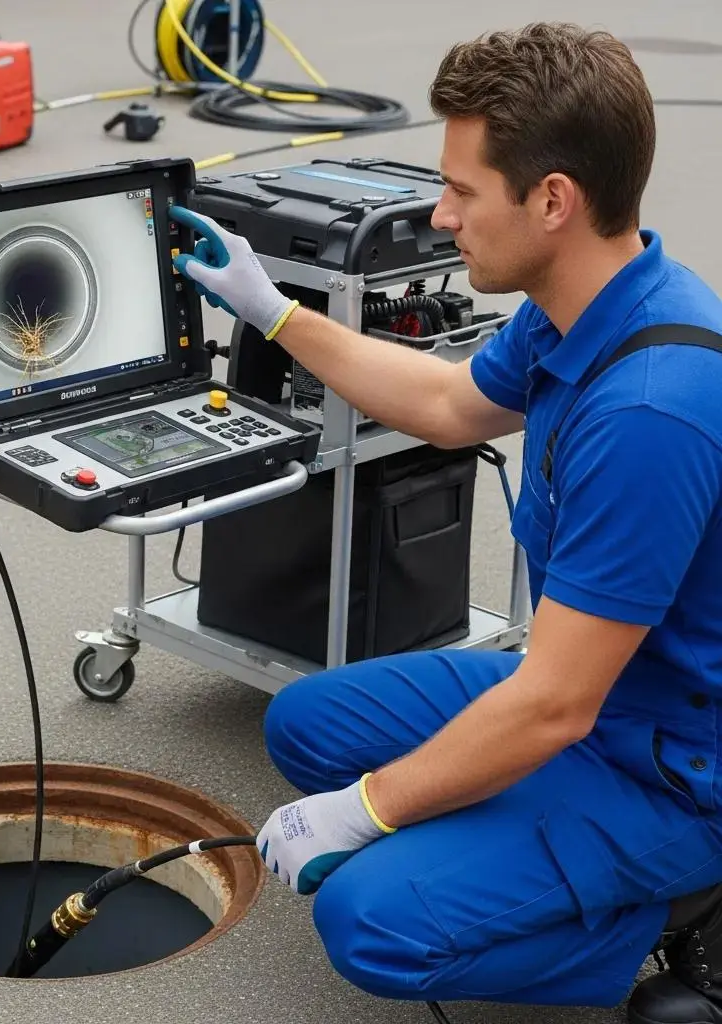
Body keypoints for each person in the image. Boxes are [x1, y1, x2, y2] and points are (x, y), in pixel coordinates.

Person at [169, 20, 722, 1024]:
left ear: (552, 200)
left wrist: (367, 810)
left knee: (370, 920)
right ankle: (508, 837)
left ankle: (679, 918)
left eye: (463, 190)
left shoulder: (650, 411)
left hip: (671, 766)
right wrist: (271, 310)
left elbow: (554, 708)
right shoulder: (587, 303)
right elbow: (449, 403)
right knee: (306, 723)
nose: (440, 213)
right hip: (596, 690)